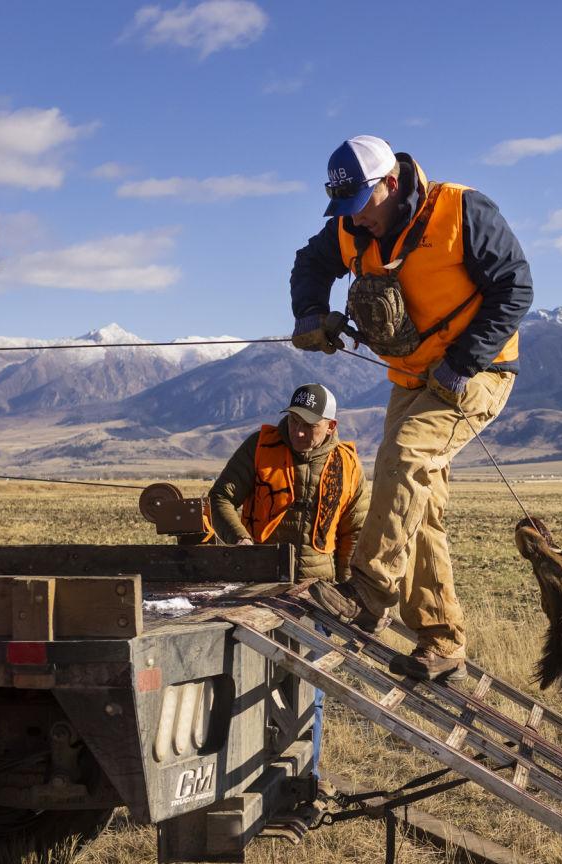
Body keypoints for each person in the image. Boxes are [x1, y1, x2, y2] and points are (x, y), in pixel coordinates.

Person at [290, 134, 532, 681]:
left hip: (479, 370)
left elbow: (515, 288)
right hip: (412, 377)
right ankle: (442, 639)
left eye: (363, 204)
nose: (356, 218)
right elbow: (310, 264)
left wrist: (463, 361)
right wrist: (310, 314)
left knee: (404, 456)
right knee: (416, 504)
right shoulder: (348, 227)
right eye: (346, 208)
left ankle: (368, 593)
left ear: (392, 184)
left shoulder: (461, 210)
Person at [208, 383, 368, 584]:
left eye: (309, 426)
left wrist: (347, 587)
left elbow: (354, 531)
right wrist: (240, 540)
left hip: (319, 586)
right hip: (260, 578)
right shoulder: (260, 447)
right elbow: (220, 497)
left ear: (331, 426)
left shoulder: (348, 463)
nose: (298, 432)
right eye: (294, 421)